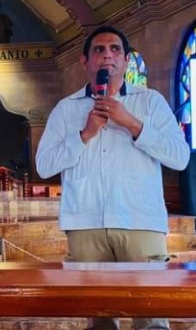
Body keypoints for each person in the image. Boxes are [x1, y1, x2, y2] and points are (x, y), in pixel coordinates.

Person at [36, 26, 188, 330]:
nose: (108, 55)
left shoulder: (150, 102)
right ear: (85, 61)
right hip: (85, 223)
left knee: (151, 317)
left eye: (115, 49)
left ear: (126, 60)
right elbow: (44, 165)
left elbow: (180, 157)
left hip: (140, 220)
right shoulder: (66, 109)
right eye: (99, 50)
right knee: (99, 319)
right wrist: (84, 134)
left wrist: (132, 123)